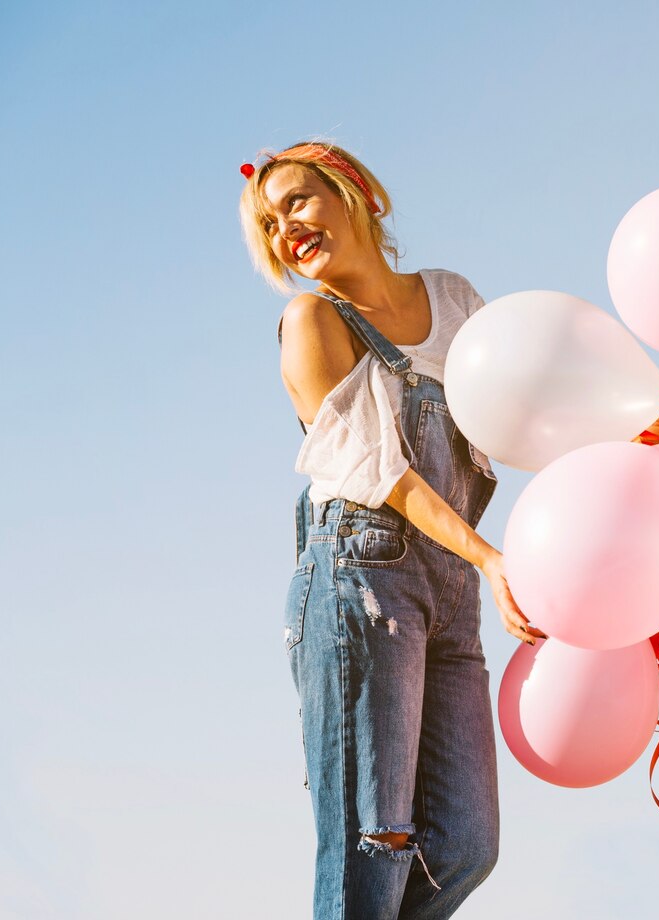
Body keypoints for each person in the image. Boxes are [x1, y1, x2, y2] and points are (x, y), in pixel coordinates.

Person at [237, 140, 544, 919]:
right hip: (359, 583)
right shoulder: (310, 321)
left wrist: (636, 431)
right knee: (373, 848)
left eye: (298, 202)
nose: (285, 230)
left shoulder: (453, 297)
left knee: (466, 846)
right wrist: (489, 557)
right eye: (269, 225)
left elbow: (523, 411)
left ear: (357, 193)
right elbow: (385, 478)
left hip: (449, 595)